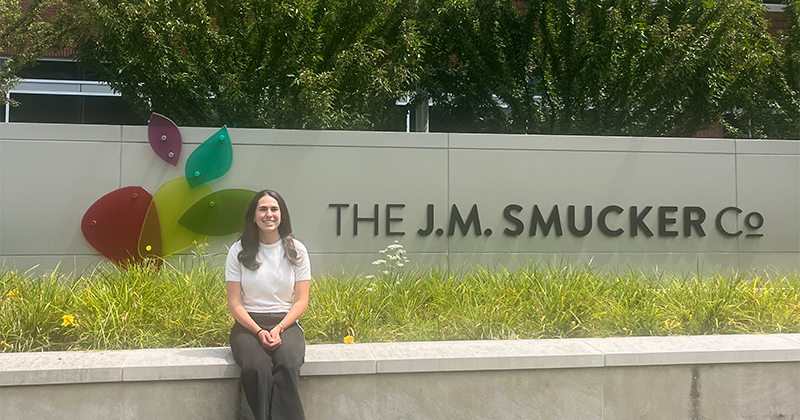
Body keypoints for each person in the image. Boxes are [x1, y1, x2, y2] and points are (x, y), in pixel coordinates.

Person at [225, 189, 311, 420]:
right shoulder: (238, 251)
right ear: (254, 217)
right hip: (248, 325)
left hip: (286, 323)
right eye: (262, 209)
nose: (269, 214)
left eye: (274, 209)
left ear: (282, 215)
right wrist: (258, 331)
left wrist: (279, 328)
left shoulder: (297, 250)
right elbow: (234, 303)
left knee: (288, 364)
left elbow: (301, 301)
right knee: (257, 368)